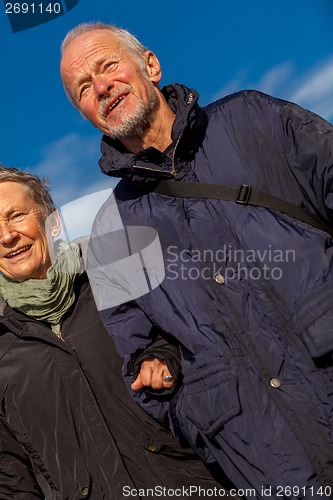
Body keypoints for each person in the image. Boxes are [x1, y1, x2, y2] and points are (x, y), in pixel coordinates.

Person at [60, 22, 333, 499]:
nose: (101, 87)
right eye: (84, 88)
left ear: (150, 65)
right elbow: (141, 350)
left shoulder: (253, 120)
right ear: (86, 114)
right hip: (271, 463)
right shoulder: (110, 232)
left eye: (108, 67)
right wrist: (169, 376)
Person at [0, 166, 239, 499]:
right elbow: (10, 480)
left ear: (52, 222)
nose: (7, 235)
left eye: (16, 216)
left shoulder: (119, 279)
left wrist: (167, 361)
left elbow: (202, 343)